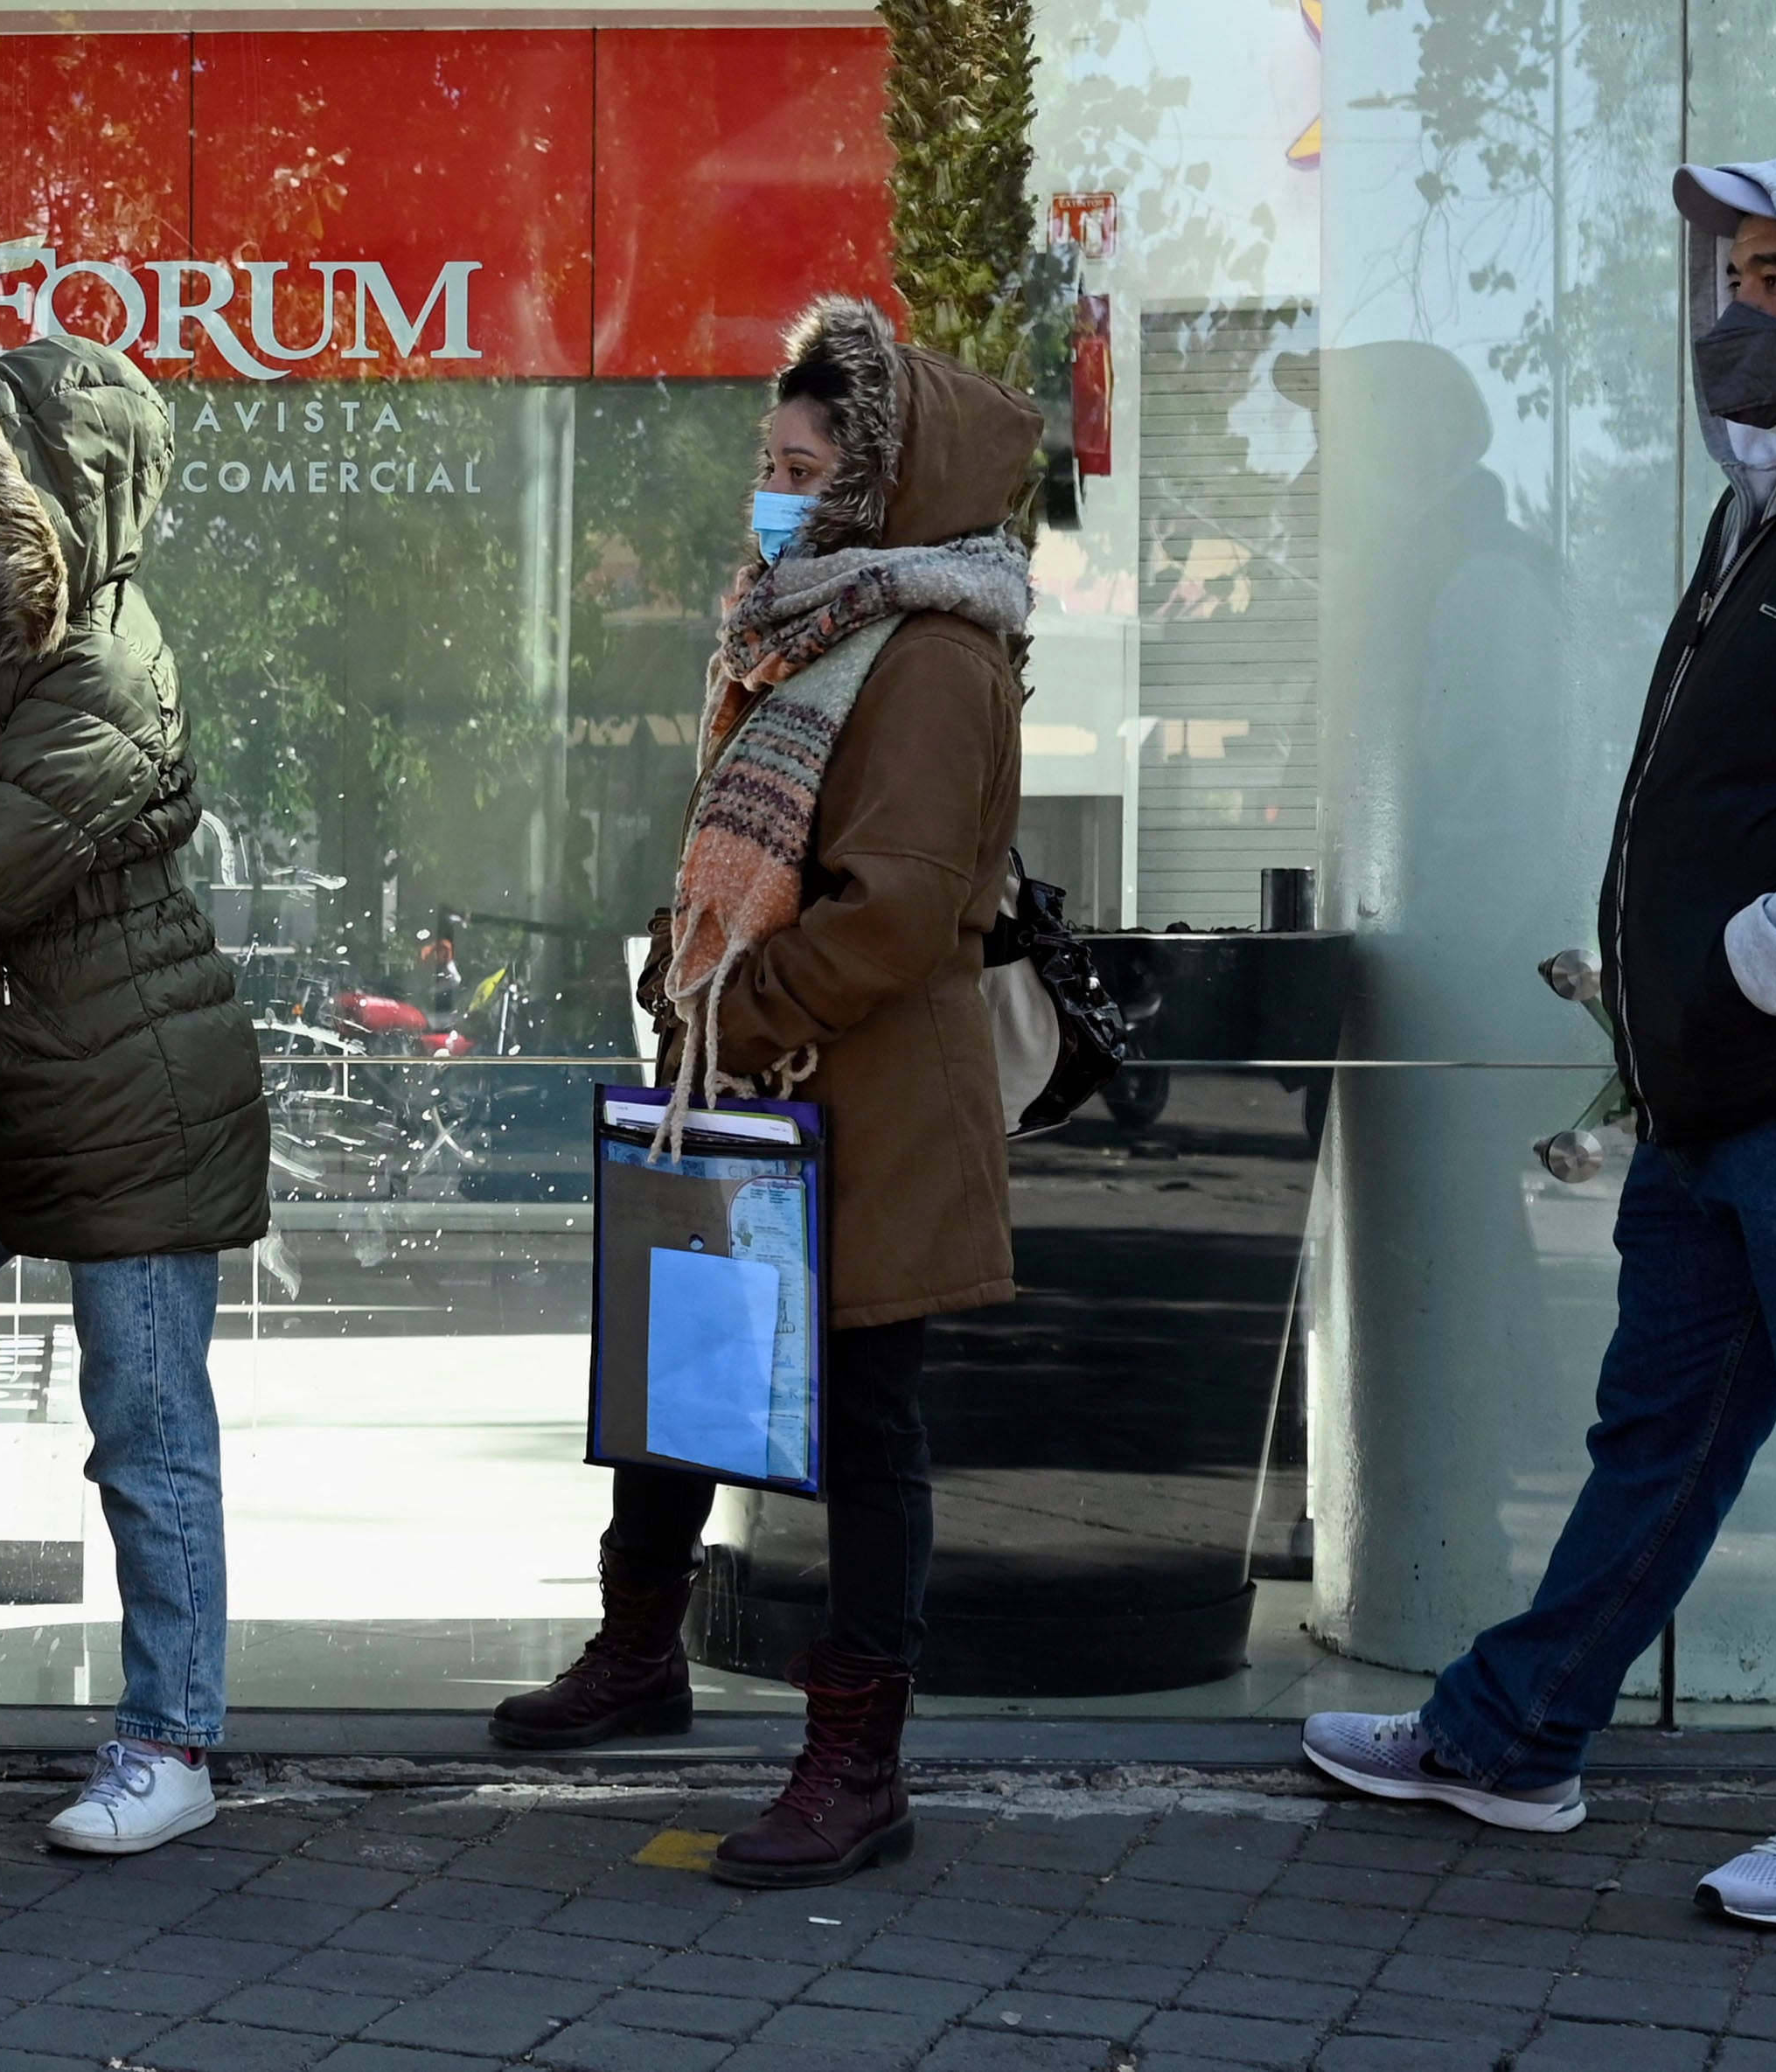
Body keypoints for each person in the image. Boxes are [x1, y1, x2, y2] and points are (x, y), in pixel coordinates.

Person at [1306, 148, 1776, 1932]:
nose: (1738, 317)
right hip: (1747, 1084)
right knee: (1659, 1443)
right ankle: (1513, 1736)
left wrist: (1745, 963)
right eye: (1733, 277)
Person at [488, 299, 1041, 1890]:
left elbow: (899, 908)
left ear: (880, 488)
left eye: (804, 465)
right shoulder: (796, 625)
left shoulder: (930, 654)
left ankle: (854, 1761)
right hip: (747, 1074)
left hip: (856, 1094)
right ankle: (637, 1654)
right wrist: (698, 996)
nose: (773, 487)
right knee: (679, 1373)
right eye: (769, 458)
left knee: (865, 1427)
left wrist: (732, 1009)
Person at [0, 337, 268, 1856]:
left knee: (145, 1426)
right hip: (6, 1085)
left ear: (58, 493)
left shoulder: (101, 662)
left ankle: (171, 1740)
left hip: (127, 1092)